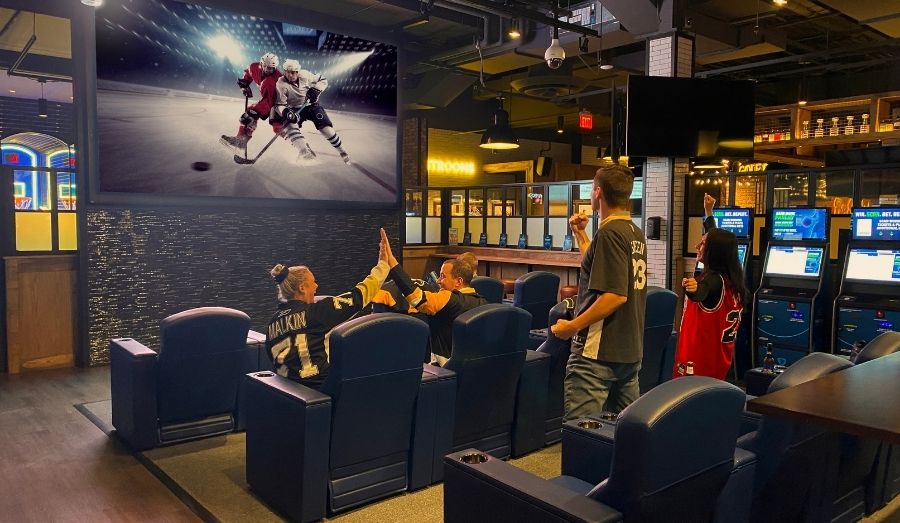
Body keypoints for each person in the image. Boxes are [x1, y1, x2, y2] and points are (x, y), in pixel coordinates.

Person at [550, 164, 647, 419]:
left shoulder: (609, 233)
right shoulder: (633, 232)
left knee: (582, 435)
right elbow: (598, 267)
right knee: (625, 435)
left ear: (598, 192)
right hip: (628, 350)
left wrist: (572, 327)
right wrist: (581, 234)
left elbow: (615, 295)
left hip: (596, 354)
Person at [265, 228, 391, 388]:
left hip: (287, 395)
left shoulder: (271, 324)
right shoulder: (317, 312)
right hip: (321, 392)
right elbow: (359, 296)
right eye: (313, 282)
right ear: (302, 288)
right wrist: (383, 265)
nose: (316, 286)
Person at [379, 229, 487, 363]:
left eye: (442, 276)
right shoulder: (485, 303)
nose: (438, 281)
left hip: (446, 369)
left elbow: (417, 298)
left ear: (459, 281)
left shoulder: (448, 298)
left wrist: (391, 262)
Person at [673, 194, 747, 380]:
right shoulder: (731, 279)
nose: (698, 245)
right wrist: (708, 213)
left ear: (714, 251)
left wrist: (692, 288)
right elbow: (716, 236)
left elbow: (702, 292)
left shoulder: (714, 282)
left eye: (703, 244)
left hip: (698, 363)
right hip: (718, 361)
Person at [275, 59, 352, 164]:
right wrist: (286, 113)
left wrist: (317, 89)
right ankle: (304, 152)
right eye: (288, 72)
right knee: (290, 127)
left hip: (311, 106)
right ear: (285, 71)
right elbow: (280, 104)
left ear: (298, 72)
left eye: (294, 72)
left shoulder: (305, 75)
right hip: (294, 108)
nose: (291, 75)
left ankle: (342, 151)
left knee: (326, 130)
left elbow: (323, 79)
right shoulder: (281, 83)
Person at [220, 52, 282, 151]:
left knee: (278, 127)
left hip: (277, 102)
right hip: (267, 98)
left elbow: (270, 101)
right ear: (261, 64)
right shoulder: (254, 67)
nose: (268, 70)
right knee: (250, 114)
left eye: (271, 68)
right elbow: (248, 74)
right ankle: (241, 140)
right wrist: (244, 84)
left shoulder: (275, 80)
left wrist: (255, 112)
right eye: (266, 66)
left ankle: (301, 146)